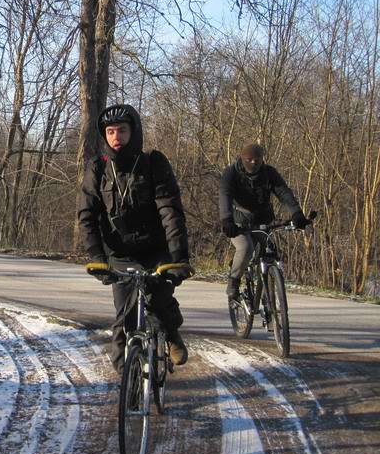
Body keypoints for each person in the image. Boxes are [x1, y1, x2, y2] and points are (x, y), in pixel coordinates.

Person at [78, 104, 193, 372]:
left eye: (122, 130)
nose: (116, 136)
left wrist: (178, 256)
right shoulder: (97, 168)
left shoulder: (154, 162)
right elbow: (87, 216)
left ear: (134, 132)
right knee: (125, 319)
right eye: (110, 131)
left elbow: (170, 211)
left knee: (159, 299)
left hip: (156, 249)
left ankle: (172, 335)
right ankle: (127, 385)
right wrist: (97, 257)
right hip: (120, 254)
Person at [219, 143, 309, 299]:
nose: (254, 163)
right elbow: (225, 196)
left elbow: (284, 193)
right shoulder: (231, 173)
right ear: (242, 158)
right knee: (246, 249)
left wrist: (297, 214)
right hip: (238, 222)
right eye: (249, 159)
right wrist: (227, 220)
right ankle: (233, 281)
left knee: (269, 251)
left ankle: (269, 292)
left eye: (257, 160)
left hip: (263, 221)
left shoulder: (269, 173)